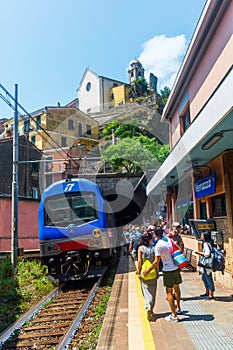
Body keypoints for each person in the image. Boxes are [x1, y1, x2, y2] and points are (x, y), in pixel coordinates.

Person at [143, 226, 182, 322]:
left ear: (155, 235)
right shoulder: (169, 240)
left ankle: (174, 315)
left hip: (168, 270)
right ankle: (179, 308)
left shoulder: (158, 245)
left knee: (169, 292)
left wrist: (148, 270)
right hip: (176, 267)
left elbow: (156, 262)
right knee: (177, 288)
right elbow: (179, 249)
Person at [137, 232, 158, 321]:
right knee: (153, 292)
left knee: (146, 291)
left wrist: (139, 272)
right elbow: (156, 262)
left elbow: (139, 262)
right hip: (152, 272)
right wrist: (157, 272)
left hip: (144, 273)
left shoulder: (140, 248)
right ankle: (151, 308)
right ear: (150, 240)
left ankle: (148, 306)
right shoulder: (154, 249)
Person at [195, 231, 215, 299]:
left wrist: (199, 253)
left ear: (205, 237)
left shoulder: (206, 244)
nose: (201, 236)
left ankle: (211, 293)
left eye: (202, 236)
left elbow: (207, 254)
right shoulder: (208, 243)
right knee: (204, 277)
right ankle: (207, 291)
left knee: (208, 278)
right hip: (206, 265)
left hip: (207, 264)